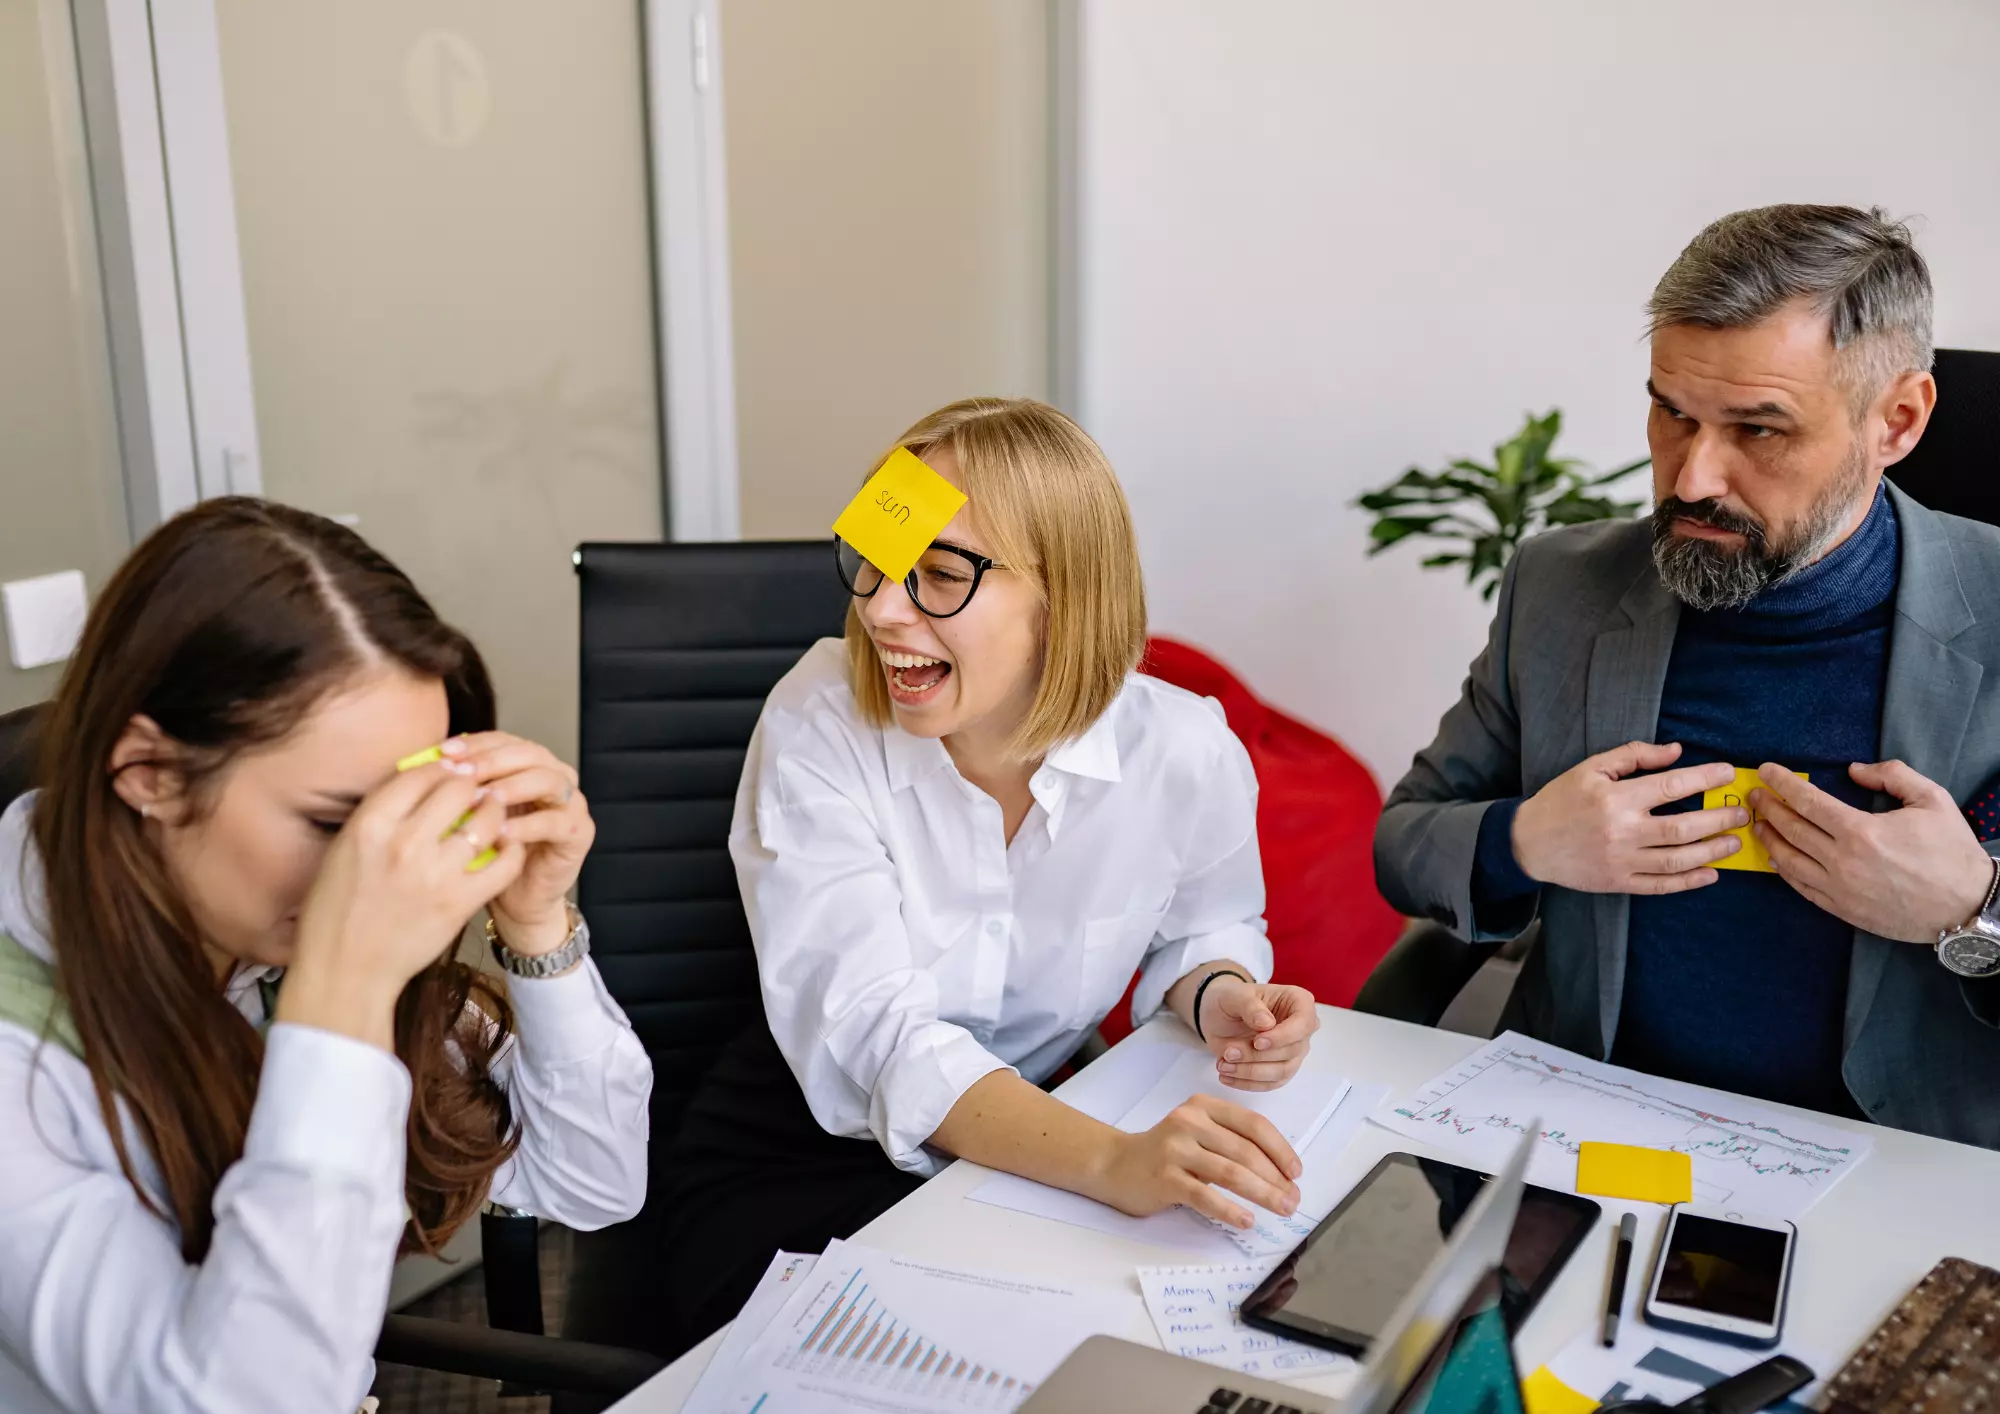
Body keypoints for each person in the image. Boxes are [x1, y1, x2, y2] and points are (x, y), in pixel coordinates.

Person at [654, 397, 1321, 1342]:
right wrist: (1109, 1164)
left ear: (1066, 591)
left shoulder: (1182, 747)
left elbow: (1204, 929)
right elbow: (881, 1039)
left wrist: (1222, 997)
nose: (883, 610)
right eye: (879, 566)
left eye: (937, 574)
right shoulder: (816, 722)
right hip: (799, 1153)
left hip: (1036, 1139)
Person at [0, 499, 652, 1414]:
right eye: (332, 821)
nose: (383, 860)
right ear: (146, 773)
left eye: (410, 806)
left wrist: (537, 923)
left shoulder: (264, 941)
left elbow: (595, 1182)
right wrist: (342, 994)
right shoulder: (19, 1051)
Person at [1376, 204, 2000, 1147]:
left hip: (1901, 1165)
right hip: (1595, 1135)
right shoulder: (1562, 589)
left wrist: (1975, 909)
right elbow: (1404, 844)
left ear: (1899, 421)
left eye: (1759, 429)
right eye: (1673, 411)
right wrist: (1526, 844)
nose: (1693, 476)